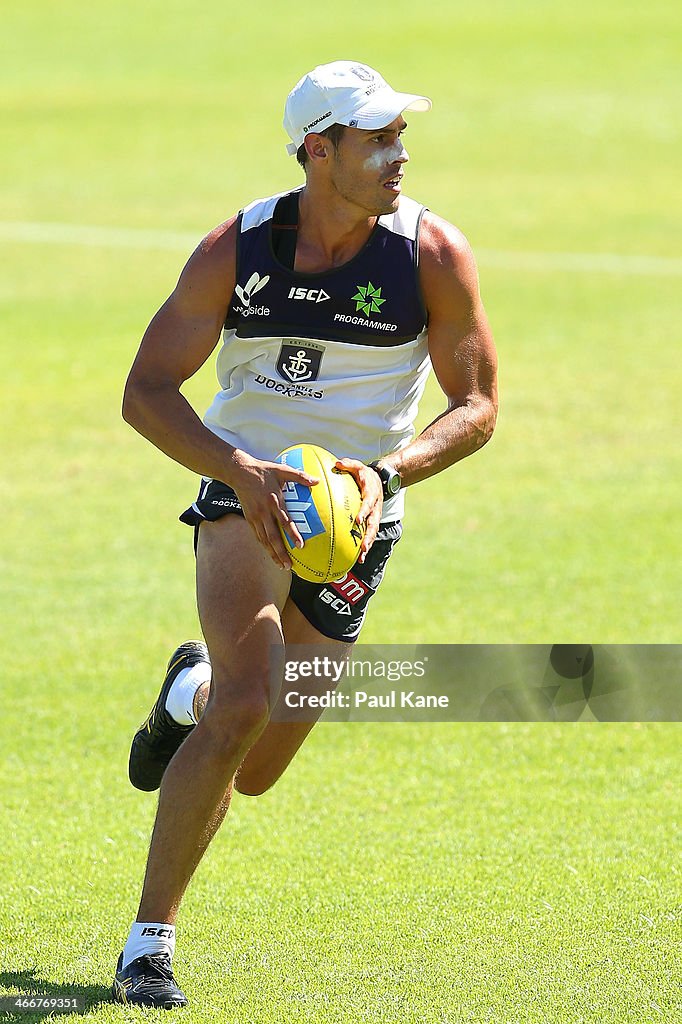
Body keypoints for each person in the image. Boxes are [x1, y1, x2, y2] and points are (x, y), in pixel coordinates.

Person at [112, 59, 498, 1008]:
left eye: (400, 137)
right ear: (318, 151)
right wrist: (238, 475)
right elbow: (145, 391)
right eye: (378, 140)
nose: (398, 156)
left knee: (259, 767)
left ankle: (188, 686)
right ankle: (147, 943)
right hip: (249, 493)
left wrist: (386, 473)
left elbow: (479, 403)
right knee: (249, 703)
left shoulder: (430, 254)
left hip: (362, 514)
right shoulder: (235, 250)